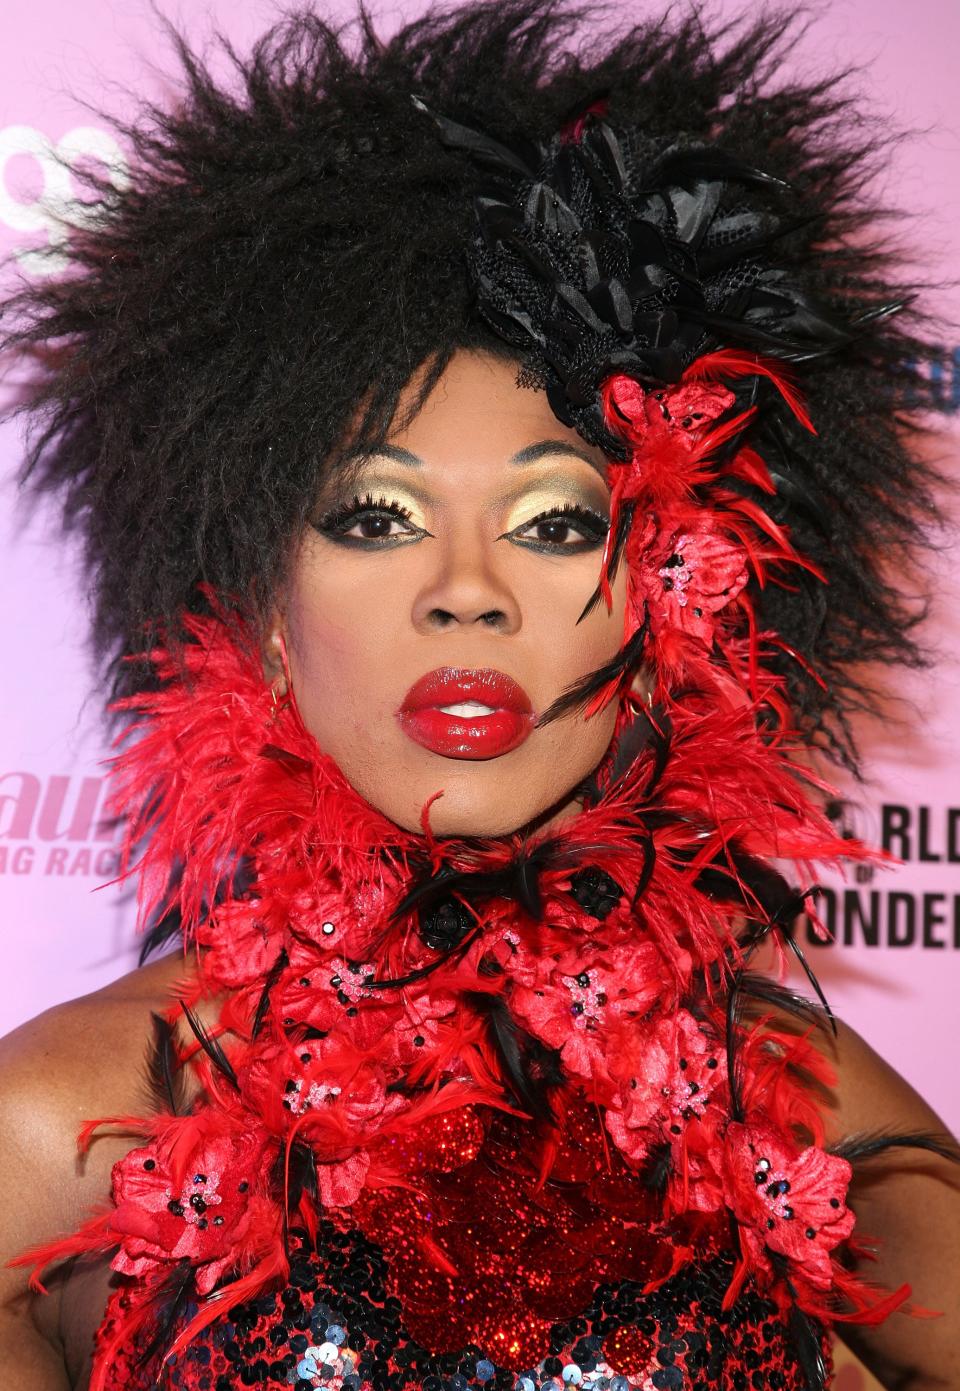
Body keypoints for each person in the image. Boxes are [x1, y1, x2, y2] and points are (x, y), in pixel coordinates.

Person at [0, 3, 957, 1388]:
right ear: (259, 618)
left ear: (679, 601)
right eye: (375, 518)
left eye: (560, 522)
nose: (468, 591)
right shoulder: (76, 1121)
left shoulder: (794, 1111)